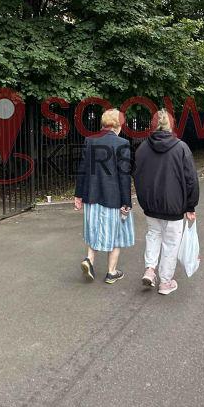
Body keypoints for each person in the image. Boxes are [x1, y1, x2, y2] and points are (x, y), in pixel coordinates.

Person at [133, 110, 199, 296]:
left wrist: (144, 199)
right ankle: (165, 282)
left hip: (150, 205)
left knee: (153, 235)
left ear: (153, 125)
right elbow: (191, 179)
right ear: (171, 125)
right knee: (171, 243)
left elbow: (137, 176)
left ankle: (150, 269)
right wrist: (191, 205)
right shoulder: (181, 148)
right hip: (174, 206)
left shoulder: (142, 148)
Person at [74, 108, 135, 284]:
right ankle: (111, 272)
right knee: (116, 234)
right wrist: (126, 202)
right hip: (113, 198)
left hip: (91, 196)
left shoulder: (90, 140)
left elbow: (82, 169)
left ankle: (89, 260)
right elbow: (124, 175)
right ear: (118, 125)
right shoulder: (122, 143)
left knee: (94, 229)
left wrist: (78, 195)